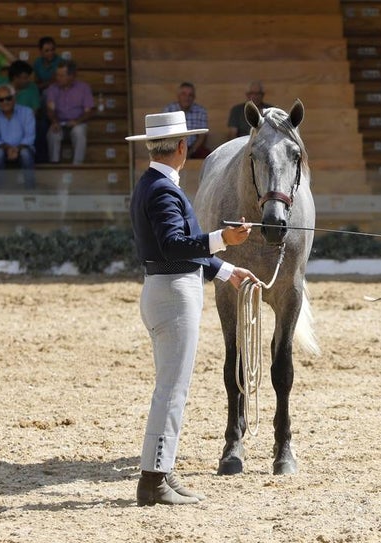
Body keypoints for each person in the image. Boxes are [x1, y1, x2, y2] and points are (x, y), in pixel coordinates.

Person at [125, 111, 258, 506]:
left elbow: (178, 248)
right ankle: (153, 479)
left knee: (172, 388)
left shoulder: (151, 184)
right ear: (182, 147)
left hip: (165, 288)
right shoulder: (163, 190)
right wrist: (223, 238)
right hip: (173, 295)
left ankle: (161, 471)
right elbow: (174, 245)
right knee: (171, 390)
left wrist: (225, 270)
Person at [0, 84, 35, 189]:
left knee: (25, 153)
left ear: (14, 98)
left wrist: (16, 149)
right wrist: (8, 148)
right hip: (3, 148)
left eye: (8, 98)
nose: (5, 102)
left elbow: (30, 137)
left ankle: (30, 191)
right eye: (1, 100)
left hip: (23, 147)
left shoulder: (27, 112)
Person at [45, 60, 93, 164]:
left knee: (79, 133)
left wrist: (77, 121)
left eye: (62, 75)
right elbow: (50, 109)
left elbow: (88, 112)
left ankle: (77, 165)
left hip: (77, 122)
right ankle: (54, 164)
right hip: (59, 122)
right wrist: (54, 121)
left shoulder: (84, 88)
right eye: (57, 75)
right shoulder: (52, 89)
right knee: (52, 133)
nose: (58, 78)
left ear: (72, 76)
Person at [163, 82, 210, 158]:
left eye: (190, 95)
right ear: (178, 96)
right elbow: (165, 134)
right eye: (183, 94)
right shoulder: (169, 110)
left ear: (194, 97)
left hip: (193, 148)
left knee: (208, 155)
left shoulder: (201, 111)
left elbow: (202, 136)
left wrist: (190, 152)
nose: (187, 98)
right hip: (173, 147)